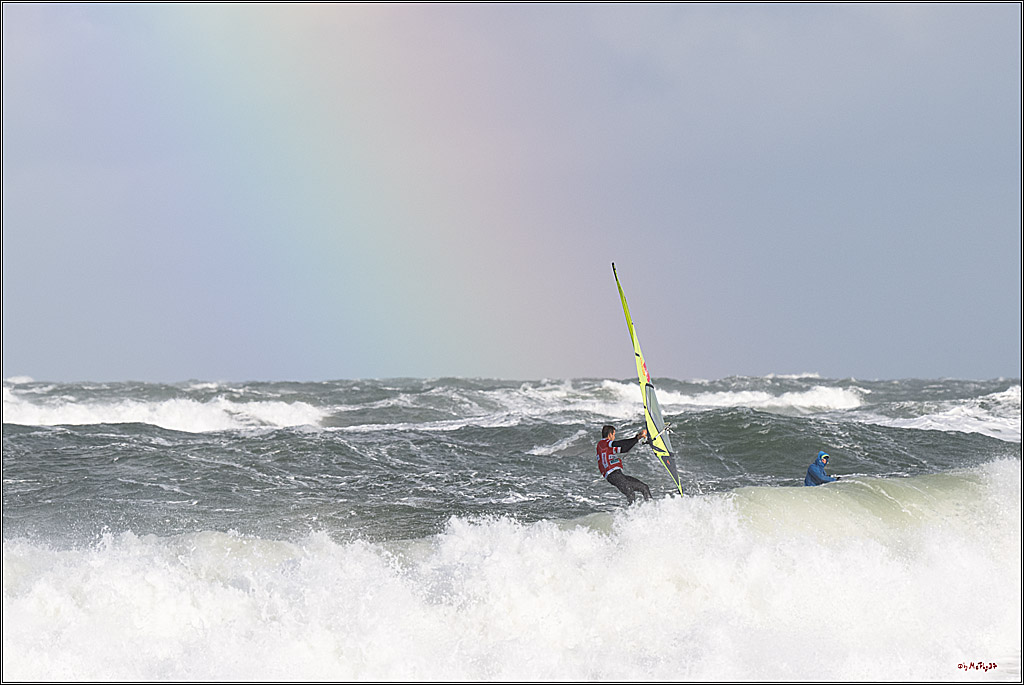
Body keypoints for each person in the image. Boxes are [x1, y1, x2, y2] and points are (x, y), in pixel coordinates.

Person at [597, 424, 652, 503]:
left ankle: (652, 506)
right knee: (630, 492)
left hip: (619, 475)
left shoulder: (608, 448)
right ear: (610, 434)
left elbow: (625, 448)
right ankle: (632, 510)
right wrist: (636, 438)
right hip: (612, 475)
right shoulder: (602, 443)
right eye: (614, 435)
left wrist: (636, 439)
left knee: (644, 487)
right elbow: (619, 443)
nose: (614, 437)